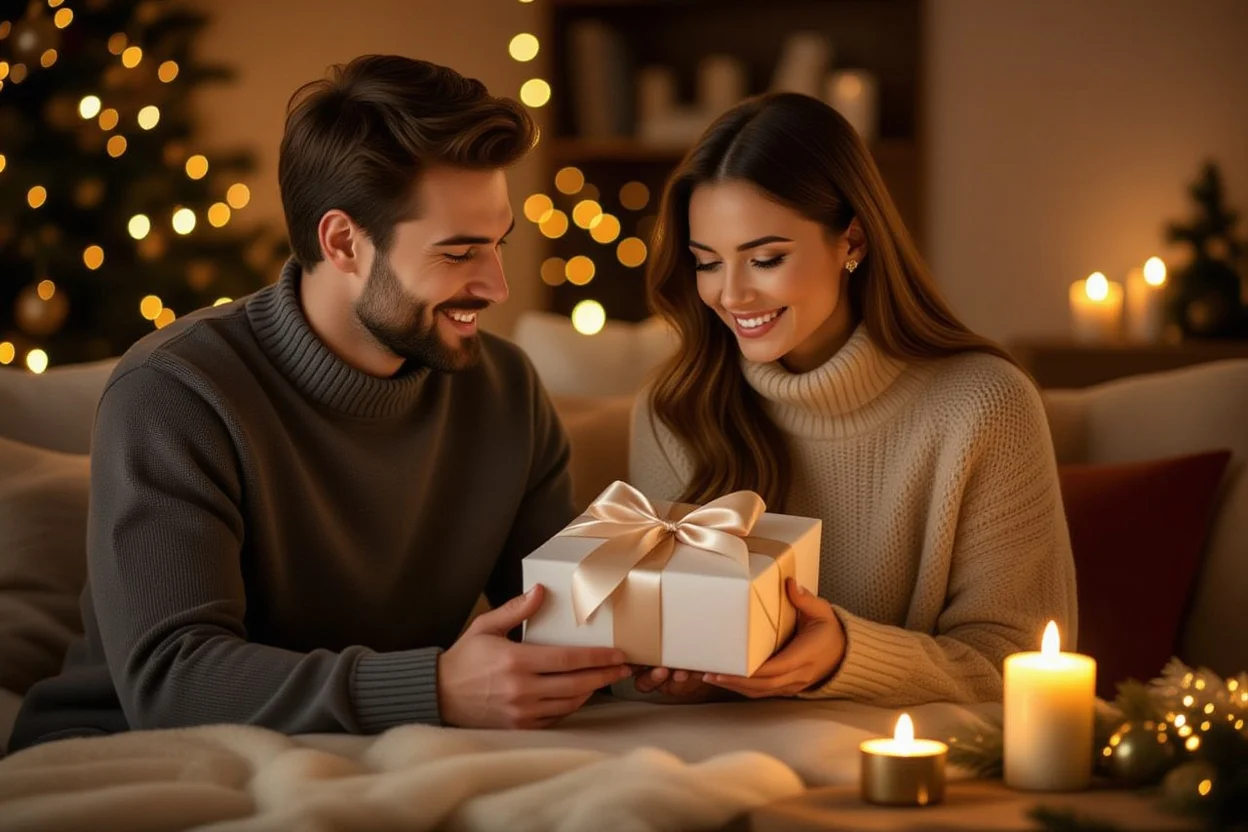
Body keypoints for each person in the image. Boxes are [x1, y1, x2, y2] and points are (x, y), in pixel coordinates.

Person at [10, 55, 630, 752]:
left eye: (497, 245)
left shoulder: (504, 387)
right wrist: (433, 687)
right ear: (343, 243)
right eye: (459, 254)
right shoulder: (174, 392)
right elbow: (171, 681)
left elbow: (563, 619)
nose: (496, 286)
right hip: (132, 752)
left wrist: (680, 656)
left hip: (378, 751)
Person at [627, 92, 1076, 706]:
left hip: (913, 751)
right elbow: (646, 668)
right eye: (706, 263)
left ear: (853, 241)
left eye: (765, 259)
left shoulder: (985, 406)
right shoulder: (674, 406)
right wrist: (662, 674)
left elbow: (1018, 667)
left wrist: (847, 655)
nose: (731, 295)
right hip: (711, 752)